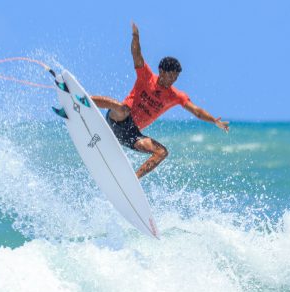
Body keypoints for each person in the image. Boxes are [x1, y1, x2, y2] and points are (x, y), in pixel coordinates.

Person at [92, 22, 230, 178]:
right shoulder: (146, 76)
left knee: (162, 152)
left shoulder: (175, 96)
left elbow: (196, 111)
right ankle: (84, 100)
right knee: (123, 108)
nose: (173, 80)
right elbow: (136, 55)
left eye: (176, 77)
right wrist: (135, 36)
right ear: (161, 71)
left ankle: (133, 179)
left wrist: (214, 121)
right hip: (118, 118)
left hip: (131, 134)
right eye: (171, 75)